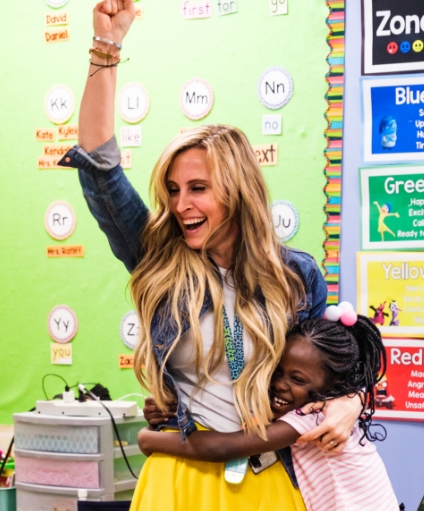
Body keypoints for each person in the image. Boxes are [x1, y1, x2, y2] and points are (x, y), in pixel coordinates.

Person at [61, 1, 363, 508]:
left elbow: (328, 371)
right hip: (177, 474)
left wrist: (352, 401)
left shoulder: (297, 274)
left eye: (198, 187)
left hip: (267, 478)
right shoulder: (157, 256)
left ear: (237, 190)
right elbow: (99, 166)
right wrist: (106, 47)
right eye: (174, 189)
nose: (181, 205)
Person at [137, 313, 399, 510]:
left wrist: (148, 439)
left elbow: (220, 448)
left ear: (334, 386)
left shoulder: (313, 416)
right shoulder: (315, 405)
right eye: (277, 371)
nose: (280, 385)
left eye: (297, 380)